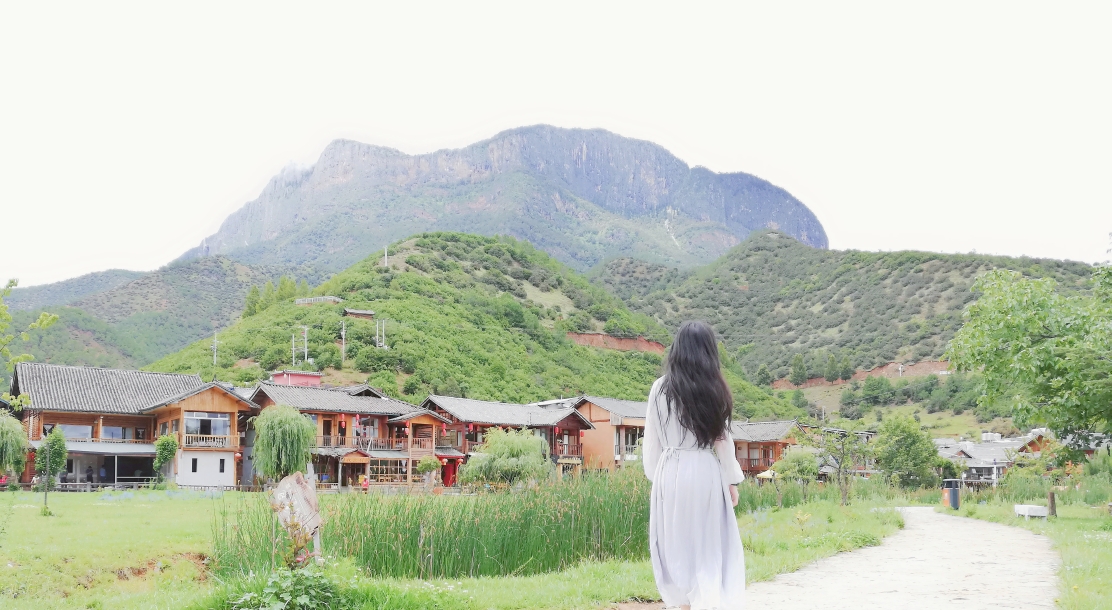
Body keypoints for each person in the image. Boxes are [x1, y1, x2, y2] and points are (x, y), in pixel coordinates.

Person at [643, 320, 745, 610]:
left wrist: (657, 477)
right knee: (706, 545)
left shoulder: (660, 389)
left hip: (670, 470)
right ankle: (706, 599)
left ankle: (681, 602)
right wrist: (731, 479)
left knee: (675, 544)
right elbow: (722, 441)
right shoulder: (715, 389)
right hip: (703, 470)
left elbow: (652, 440)